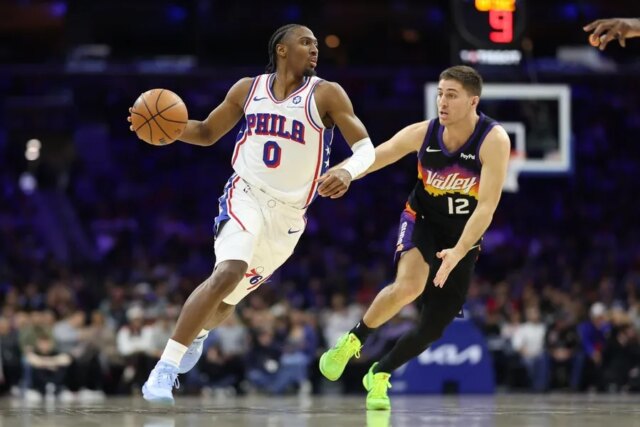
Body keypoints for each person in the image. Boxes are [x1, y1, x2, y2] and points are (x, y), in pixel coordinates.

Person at [127, 23, 375, 404]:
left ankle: (198, 333)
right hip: (246, 194)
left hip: (289, 217)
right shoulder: (248, 89)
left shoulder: (326, 93)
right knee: (228, 270)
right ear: (281, 49)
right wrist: (162, 129)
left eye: (315, 44)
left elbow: (366, 148)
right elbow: (206, 132)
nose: (314, 49)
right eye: (305, 42)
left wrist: (347, 171)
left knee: (227, 301)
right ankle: (164, 369)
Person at [319, 66, 510, 410]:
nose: (442, 102)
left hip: (464, 235)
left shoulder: (493, 140)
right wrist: (345, 171)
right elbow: (379, 154)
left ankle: (380, 373)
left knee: (434, 326)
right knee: (409, 286)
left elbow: (486, 208)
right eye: (440, 93)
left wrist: (459, 251)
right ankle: (352, 341)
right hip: (422, 219)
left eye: (452, 95)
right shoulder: (424, 132)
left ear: (473, 101)